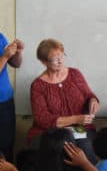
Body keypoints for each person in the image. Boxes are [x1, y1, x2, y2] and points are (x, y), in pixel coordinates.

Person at [27, 38, 100, 164]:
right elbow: (42, 119)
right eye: (55, 59)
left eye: (62, 55)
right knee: (61, 146)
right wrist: (75, 119)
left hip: (82, 129)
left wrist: (93, 100)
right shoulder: (38, 86)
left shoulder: (74, 74)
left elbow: (89, 95)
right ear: (43, 62)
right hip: (51, 132)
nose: (60, 61)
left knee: (86, 149)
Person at [0, 33, 24, 163]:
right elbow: (5, 58)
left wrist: (18, 53)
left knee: (7, 146)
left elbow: (15, 64)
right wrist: (4, 56)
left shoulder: (0, 37)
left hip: (5, 101)